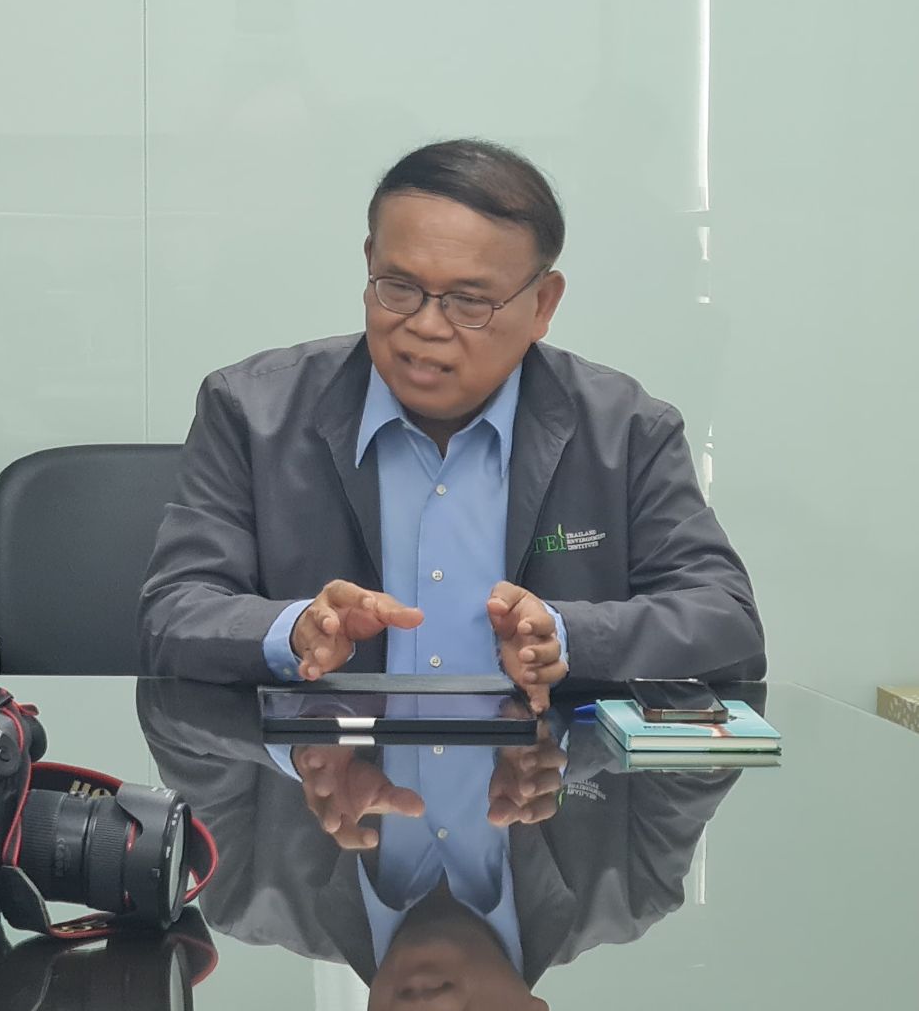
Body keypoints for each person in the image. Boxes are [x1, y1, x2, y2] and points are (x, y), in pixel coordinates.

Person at [138, 139, 763, 703]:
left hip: (541, 785)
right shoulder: (252, 413)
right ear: (368, 263)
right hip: (323, 782)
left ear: (542, 304)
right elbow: (173, 614)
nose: (426, 326)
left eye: (468, 301)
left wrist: (567, 637)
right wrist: (295, 629)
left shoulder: (624, 431)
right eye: (399, 287)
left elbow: (726, 621)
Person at [139, 678, 747, 1011]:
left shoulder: (248, 890)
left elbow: (168, 702)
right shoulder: (630, 883)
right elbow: (719, 718)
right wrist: (568, 739)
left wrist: (299, 739)